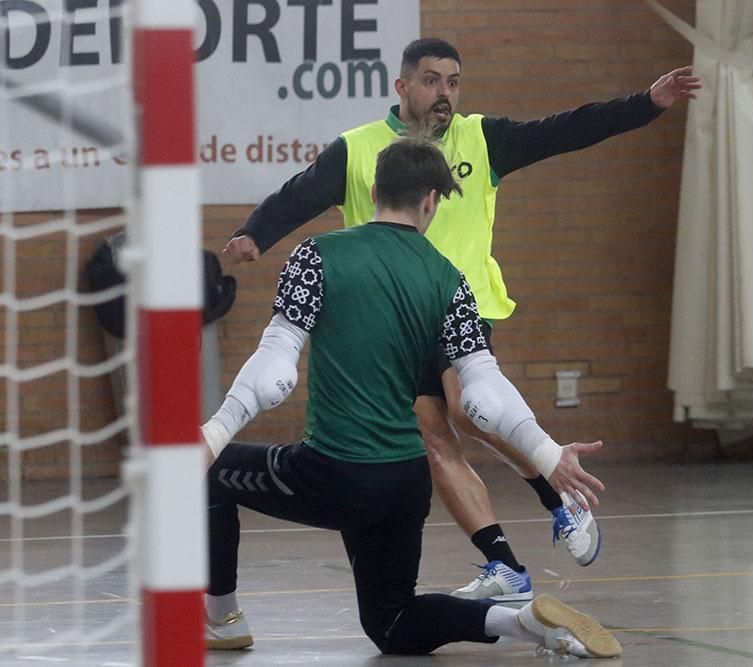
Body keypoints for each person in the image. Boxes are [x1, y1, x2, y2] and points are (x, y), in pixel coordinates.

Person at [223, 37, 701, 601]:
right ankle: (506, 562)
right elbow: (298, 195)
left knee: (471, 416)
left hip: (458, 311)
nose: (444, 93)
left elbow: (564, 130)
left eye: (453, 82)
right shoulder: (358, 150)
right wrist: (256, 232)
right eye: (431, 81)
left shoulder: (483, 139)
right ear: (402, 87)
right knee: (435, 435)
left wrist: (645, 103)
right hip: (393, 320)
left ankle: (557, 500)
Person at [200, 138, 621, 659]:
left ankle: (222, 619)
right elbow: (485, 394)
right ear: (431, 201)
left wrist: (213, 433)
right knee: (393, 623)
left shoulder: (317, 256)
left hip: (336, 472)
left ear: (374, 191)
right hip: (405, 481)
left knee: (208, 472)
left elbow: (274, 367)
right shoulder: (448, 278)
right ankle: (525, 622)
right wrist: (548, 454)